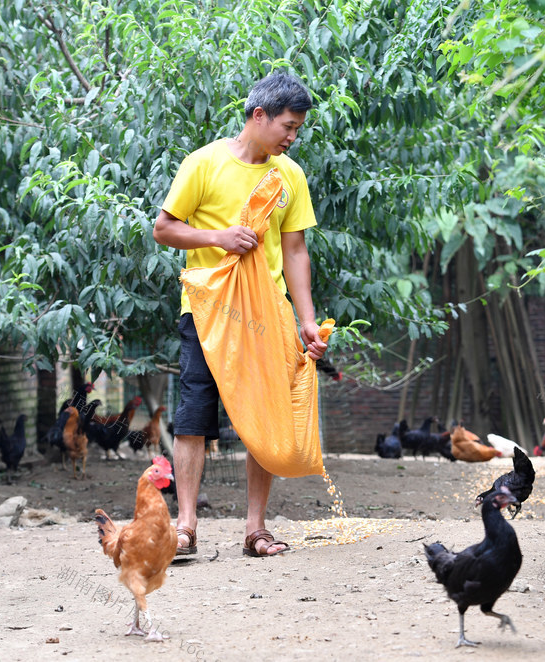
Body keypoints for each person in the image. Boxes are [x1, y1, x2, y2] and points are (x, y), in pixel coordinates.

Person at [153, 71, 328, 557]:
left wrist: (306, 318)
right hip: (207, 314)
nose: (292, 137)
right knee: (192, 417)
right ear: (259, 116)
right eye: (288, 127)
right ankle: (185, 526)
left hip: (266, 314)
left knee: (264, 417)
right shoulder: (204, 164)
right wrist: (218, 237)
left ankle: (255, 529)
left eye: (297, 129)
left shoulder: (288, 175)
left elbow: (295, 251)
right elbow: (164, 230)